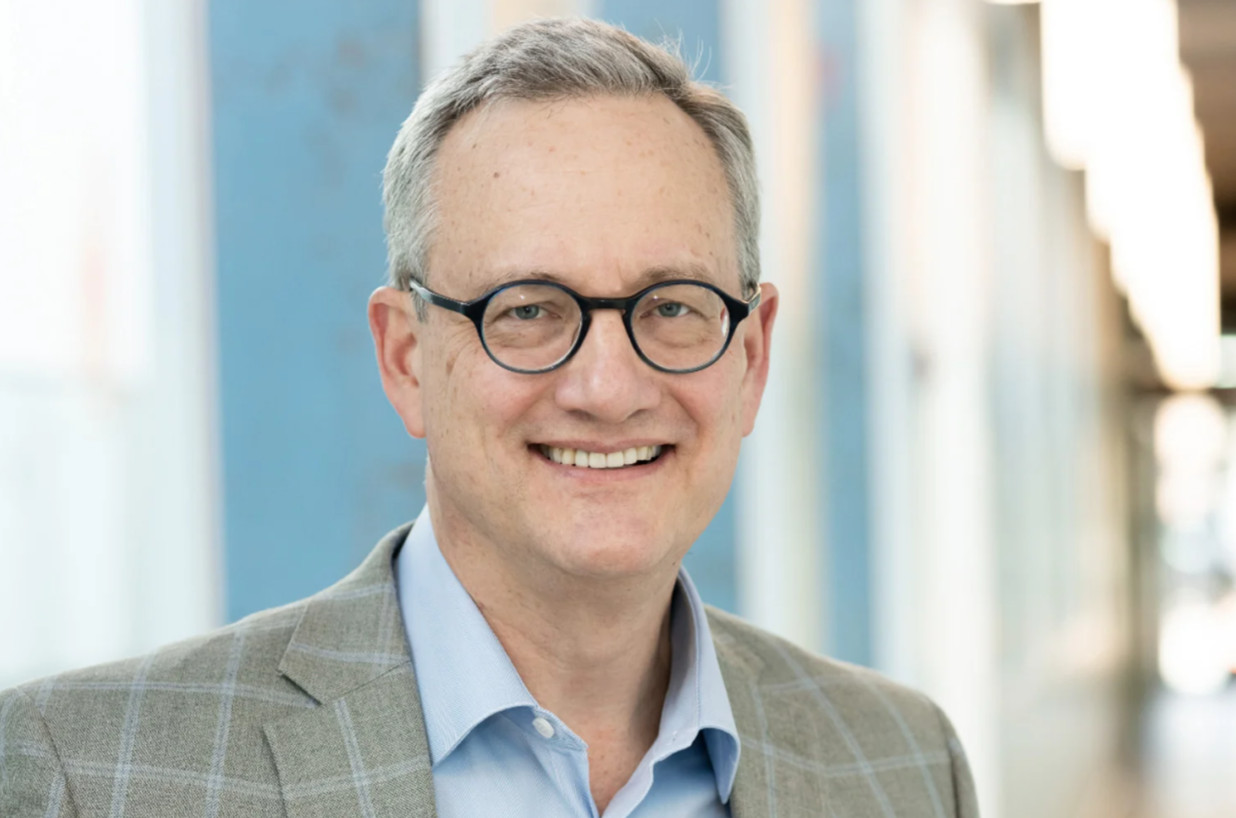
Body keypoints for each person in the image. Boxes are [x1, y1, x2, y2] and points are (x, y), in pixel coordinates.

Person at [0, 18, 978, 818]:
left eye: (672, 306)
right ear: (406, 358)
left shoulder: (903, 766)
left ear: (751, 357)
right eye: (529, 310)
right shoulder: (88, 775)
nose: (607, 386)